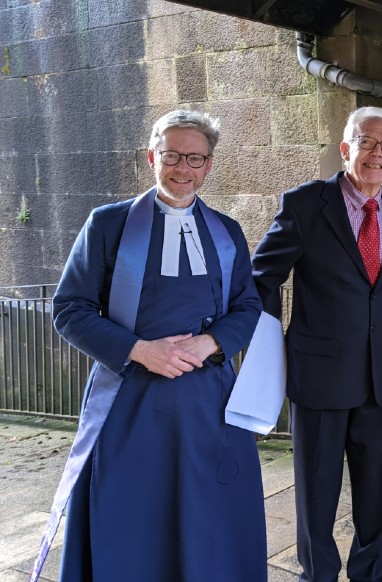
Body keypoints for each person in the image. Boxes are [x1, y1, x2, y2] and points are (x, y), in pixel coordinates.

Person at [33, 109, 266, 581]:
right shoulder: (108, 224)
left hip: (210, 406)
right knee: (134, 518)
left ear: (209, 165)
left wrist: (209, 343)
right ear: (151, 157)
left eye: (195, 159)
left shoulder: (227, 232)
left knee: (211, 520)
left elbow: (247, 308)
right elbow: (69, 309)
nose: (183, 169)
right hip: (133, 403)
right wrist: (141, 351)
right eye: (172, 156)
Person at [252, 106, 382, 582]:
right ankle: (317, 575)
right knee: (317, 494)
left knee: (378, 494)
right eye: (368, 143)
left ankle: (371, 574)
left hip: (379, 376)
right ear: (346, 149)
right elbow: (262, 279)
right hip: (320, 375)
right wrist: (261, 352)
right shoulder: (305, 204)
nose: (378, 154)